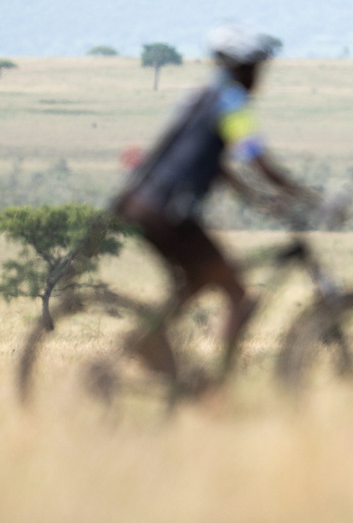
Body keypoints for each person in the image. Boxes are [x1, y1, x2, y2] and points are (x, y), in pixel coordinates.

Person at [116, 24, 317, 379]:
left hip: (142, 205)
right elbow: (257, 159)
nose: (259, 76)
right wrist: (304, 194)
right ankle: (216, 383)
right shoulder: (232, 103)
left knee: (198, 282)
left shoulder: (201, 96)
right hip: (167, 211)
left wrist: (258, 200)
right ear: (239, 69)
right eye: (254, 68)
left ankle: (149, 344)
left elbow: (216, 165)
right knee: (238, 293)